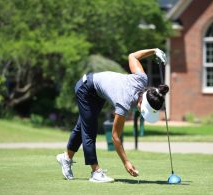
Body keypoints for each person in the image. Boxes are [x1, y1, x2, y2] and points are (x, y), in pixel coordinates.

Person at [56, 48, 169, 183]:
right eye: (144, 108)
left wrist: (154, 51)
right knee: (89, 131)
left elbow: (133, 56)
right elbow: (115, 137)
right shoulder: (124, 101)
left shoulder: (142, 79)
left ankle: (66, 158)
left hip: (96, 93)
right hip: (85, 89)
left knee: (83, 126)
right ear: (142, 100)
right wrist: (126, 162)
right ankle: (95, 172)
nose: (141, 110)